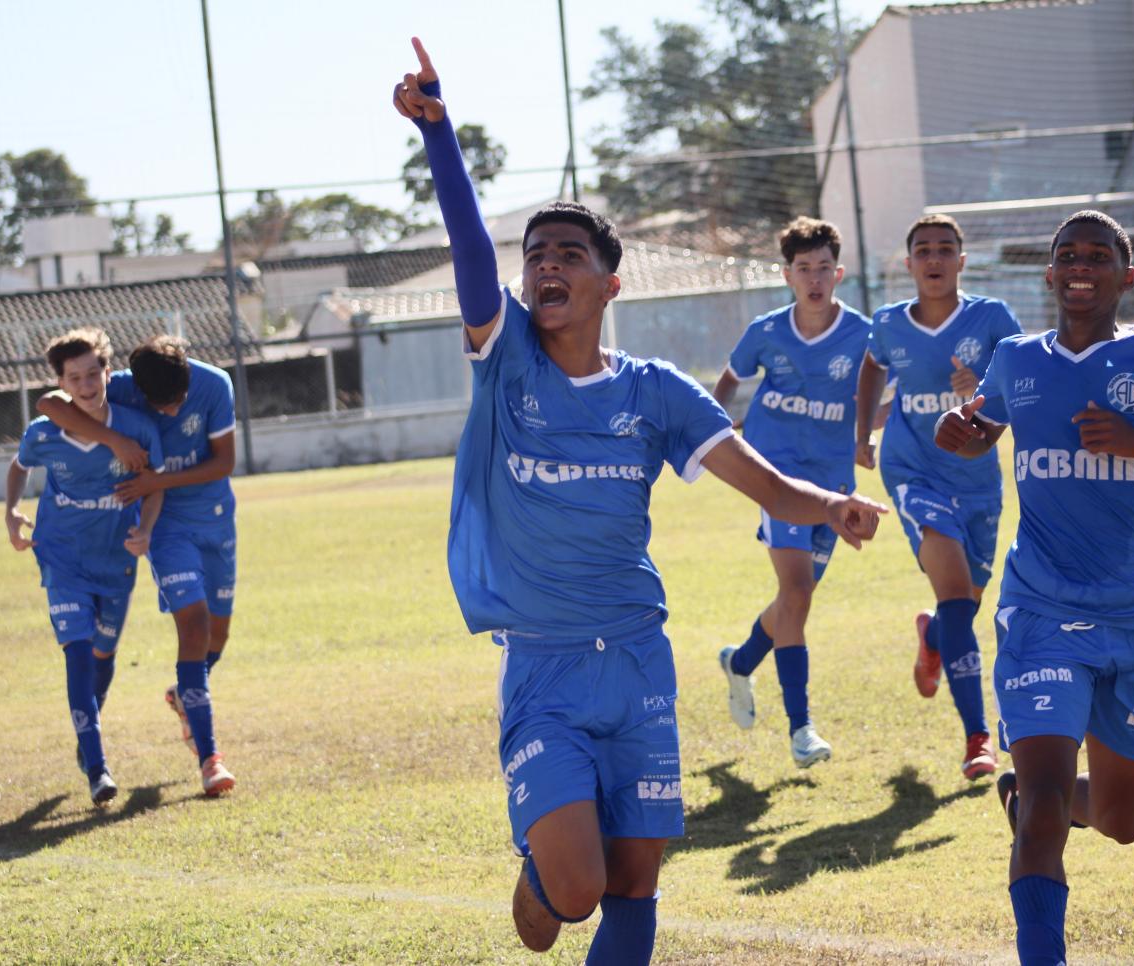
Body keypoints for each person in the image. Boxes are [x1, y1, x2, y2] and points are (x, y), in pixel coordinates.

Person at [394, 36, 885, 964]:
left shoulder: (654, 390)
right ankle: (540, 864)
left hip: (638, 658)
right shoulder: (504, 363)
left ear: (608, 283)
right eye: (536, 252)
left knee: (637, 877)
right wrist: (439, 133)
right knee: (569, 896)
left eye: (568, 254)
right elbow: (466, 249)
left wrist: (832, 506)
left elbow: (757, 475)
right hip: (542, 666)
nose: (546, 264)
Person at [934, 210, 1134, 965]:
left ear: (1127, 274)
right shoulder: (1014, 359)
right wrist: (968, 433)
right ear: (1048, 275)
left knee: (1119, 819)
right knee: (1047, 799)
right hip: (1039, 608)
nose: (1081, 264)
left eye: (1099, 254)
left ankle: (1026, 795)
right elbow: (993, 426)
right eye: (1066, 255)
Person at [855, 213, 1022, 780]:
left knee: (965, 605)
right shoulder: (888, 324)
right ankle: (978, 737)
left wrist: (980, 388)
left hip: (976, 476)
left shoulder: (992, 318)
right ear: (908, 264)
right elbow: (871, 369)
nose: (933, 258)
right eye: (922, 250)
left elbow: (1024, 384)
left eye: (944, 249)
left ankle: (932, 636)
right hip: (912, 469)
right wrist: (863, 437)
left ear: (961, 260)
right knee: (956, 597)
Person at [36, 334, 238, 796]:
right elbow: (50, 402)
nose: (169, 412)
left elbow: (225, 462)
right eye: (159, 405)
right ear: (139, 391)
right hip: (164, 525)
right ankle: (210, 759)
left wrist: (158, 477)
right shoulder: (123, 386)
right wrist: (112, 439)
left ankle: (186, 695)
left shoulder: (216, 385)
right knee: (193, 623)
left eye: (178, 402)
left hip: (216, 521)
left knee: (217, 636)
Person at [710, 216, 870, 768]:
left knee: (794, 601)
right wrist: (720, 424)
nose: (815, 277)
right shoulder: (767, 330)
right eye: (804, 268)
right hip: (777, 480)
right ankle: (802, 730)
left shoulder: (863, 336)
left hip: (832, 483)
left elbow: (882, 396)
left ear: (839, 272)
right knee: (797, 591)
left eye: (824, 266)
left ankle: (741, 661)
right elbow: (730, 379)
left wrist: (867, 434)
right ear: (787, 275)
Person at [5, 327, 164, 806]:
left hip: (115, 559)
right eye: (75, 377)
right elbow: (18, 466)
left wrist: (146, 530)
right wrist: (11, 510)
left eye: (93, 373)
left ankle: (87, 729)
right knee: (76, 650)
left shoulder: (137, 428)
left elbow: (154, 483)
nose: (86, 383)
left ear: (107, 373)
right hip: (61, 556)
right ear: (63, 383)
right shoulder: (44, 434)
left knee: (102, 655)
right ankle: (97, 767)